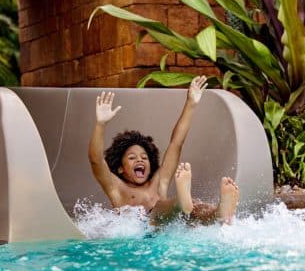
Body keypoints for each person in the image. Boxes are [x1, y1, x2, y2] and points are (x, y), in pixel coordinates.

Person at [88, 76, 239, 225]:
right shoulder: (117, 189)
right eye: (132, 158)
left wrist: (191, 103)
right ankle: (181, 203)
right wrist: (100, 124)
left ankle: (218, 213)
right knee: (161, 207)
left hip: (166, 225)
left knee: (196, 206)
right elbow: (96, 161)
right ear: (120, 168)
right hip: (142, 229)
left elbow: (176, 143)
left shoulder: (158, 181)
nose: (140, 160)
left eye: (144, 157)